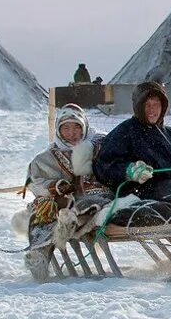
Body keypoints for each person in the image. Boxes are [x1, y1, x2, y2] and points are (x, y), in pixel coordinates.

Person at [95, 81, 171, 218]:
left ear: (163, 106)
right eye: (147, 105)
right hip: (140, 190)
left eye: (156, 105)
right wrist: (130, 170)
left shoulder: (169, 134)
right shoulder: (126, 131)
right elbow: (103, 166)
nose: (152, 110)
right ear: (138, 107)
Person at [22, 104, 112, 277]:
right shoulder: (46, 158)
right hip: (62, 201)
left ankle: (72, 218)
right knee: (44, 211)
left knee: (91, 203)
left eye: (77, 127)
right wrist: (54, 186)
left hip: (97, 196)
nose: (72, 133)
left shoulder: (100, 147)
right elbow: (35, 181)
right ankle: (39, 256)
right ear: (58, 129)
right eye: (66, 128)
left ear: (84, 127)